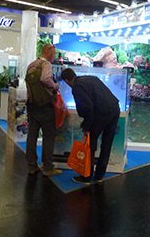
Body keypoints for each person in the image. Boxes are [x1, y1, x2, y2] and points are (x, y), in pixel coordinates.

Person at [61, 67, 120, 184]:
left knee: (90, 145)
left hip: (102, 113)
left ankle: (86, 176)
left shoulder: (77, 87)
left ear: (66, 81)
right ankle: (99, 176)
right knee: (107, 144)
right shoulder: (91, 78)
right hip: (115, 109)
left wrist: (86, 127)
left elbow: (88, 108)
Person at [25, 43, 62, 177]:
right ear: (47, 52)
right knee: (48, 137)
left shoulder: (32, 65)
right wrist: (55, 86)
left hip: (32, 106)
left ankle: (31, 166)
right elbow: (45, 79)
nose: (54, 56)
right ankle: (47, 167)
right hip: (45, 107)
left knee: (32, 136)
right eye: (54, 53)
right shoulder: (46, 65)